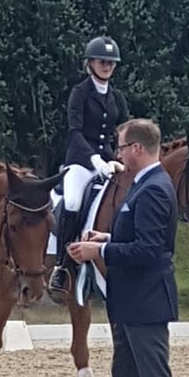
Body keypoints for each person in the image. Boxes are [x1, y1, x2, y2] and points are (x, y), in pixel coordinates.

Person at [68, 118, 189, 377]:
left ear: (137, 149)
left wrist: (101, 251)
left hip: (146, 302)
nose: (118, 153)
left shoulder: (155, 189)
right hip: (128, 303)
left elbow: (150, 250)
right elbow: (137, 235)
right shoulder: (141, 186)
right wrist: (107, 237)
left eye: (122, 146)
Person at [49, 35, 129, 301]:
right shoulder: (80, 93)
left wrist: (119, 157)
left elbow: (124, 130)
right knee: (72, 201)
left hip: (109, 162)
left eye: (111, 62)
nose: (107, 66)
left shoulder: (117, 96)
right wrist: (94, 160)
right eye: (102, 61)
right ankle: (62, 266)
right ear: (91, 63)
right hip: (80, 162)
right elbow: (74, 132)